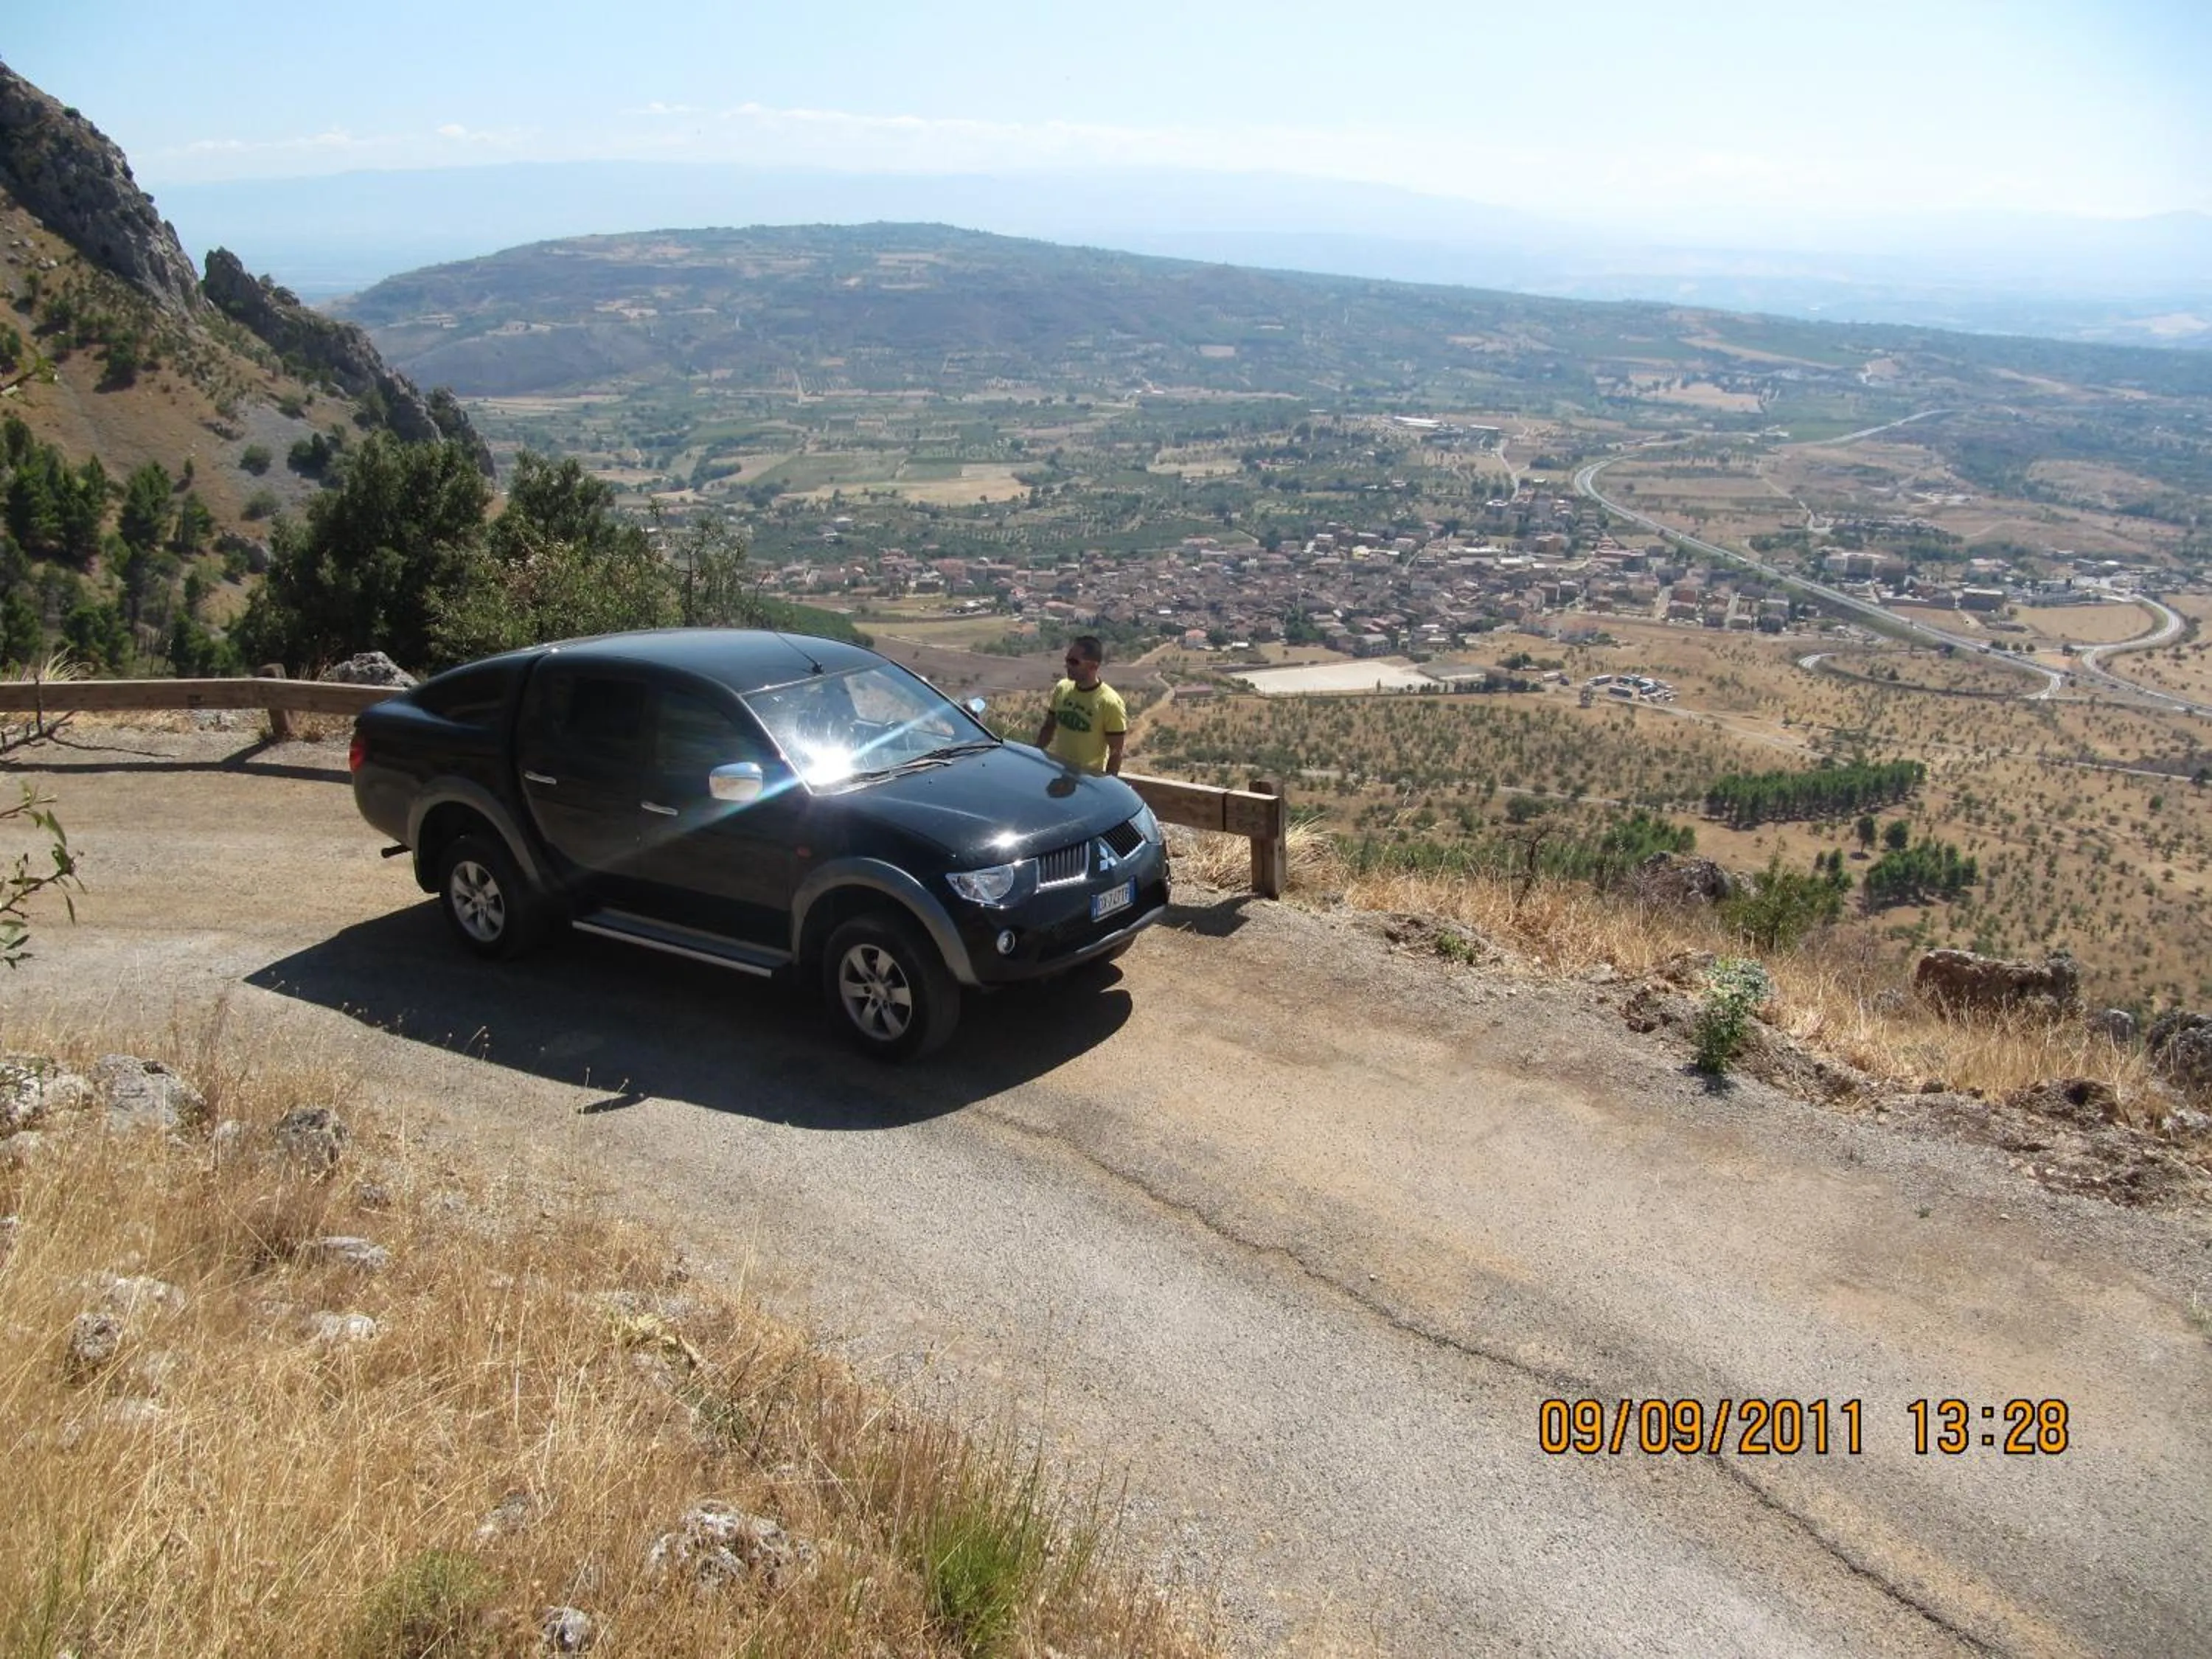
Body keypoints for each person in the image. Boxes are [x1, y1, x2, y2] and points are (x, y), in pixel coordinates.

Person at [1034, 634, 1127, 776]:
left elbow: (1116, 751)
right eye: (1067, 660)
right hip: (1059, 772)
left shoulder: (1110, 703)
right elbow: (1049, 727)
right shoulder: (1062, 688)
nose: (1068, 666)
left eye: (1074, 662)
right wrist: (1034, 758)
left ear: (1093, 666)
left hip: (1088, 780)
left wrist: (1107, 787)